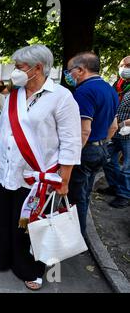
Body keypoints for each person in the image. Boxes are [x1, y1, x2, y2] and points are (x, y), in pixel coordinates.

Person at [0, 44, 82, 291]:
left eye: (19, 67)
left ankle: (29, 268)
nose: (15, 72)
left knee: (28, 224)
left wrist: (65, 179)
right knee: (2, 216)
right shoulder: (13, 96)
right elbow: (1, 130)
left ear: (38, 68)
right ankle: (2, 254)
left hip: (37, 176)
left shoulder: (61, 97)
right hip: (7, 170)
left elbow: (71, 142)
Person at [65, 51, 119, 236]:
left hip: (85, 150)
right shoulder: (109, 89)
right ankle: (79, 233)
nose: (68, 75)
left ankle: (75, 236)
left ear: (80, 70)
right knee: (84, 195)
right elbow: (114, 125)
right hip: (102, 148)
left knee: (75, 197)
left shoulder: (84, 91)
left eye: (69, 71)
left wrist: (70, 158)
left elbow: (84, 130)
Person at [98, 55, 130, 209]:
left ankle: (124, 196)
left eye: (128, 65)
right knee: (107, 159)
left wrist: (122, 123)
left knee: (127, 168)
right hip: (114, 132)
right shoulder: (117, 85)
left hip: (127, 133)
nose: (124, 68)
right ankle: (115, 187)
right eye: (122, 65)